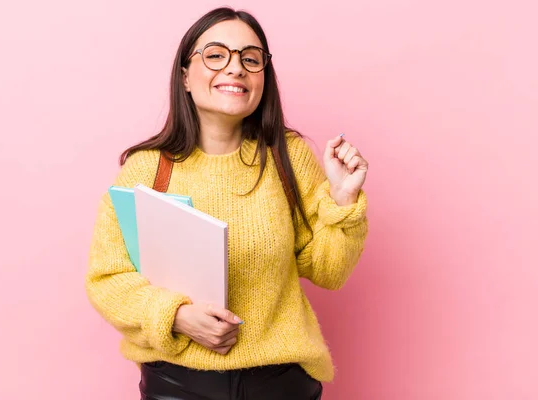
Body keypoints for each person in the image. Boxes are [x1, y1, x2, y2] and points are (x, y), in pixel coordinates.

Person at [85, 6, 369, 400]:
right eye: (216, 55)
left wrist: (343, 199)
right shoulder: (146, 170)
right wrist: (177, 316)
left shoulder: (288, 158)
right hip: (177, 384)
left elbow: (328, 271)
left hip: (281, 383)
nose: (235, 68)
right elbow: (107, 278)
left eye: (250, 59)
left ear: (263, 78)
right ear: (185, 76)